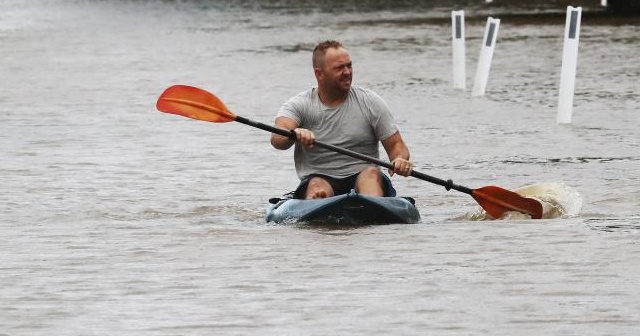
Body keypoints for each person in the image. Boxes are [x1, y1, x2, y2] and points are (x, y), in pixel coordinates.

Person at [270, 40, 413, 200]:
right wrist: (293, 133)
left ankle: (372, 205)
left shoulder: (370, 101)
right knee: (317, 185)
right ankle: (320, 205)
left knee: (371, 174)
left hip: (364, 177)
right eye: (339, 68)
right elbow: (277, 138)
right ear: (319, 74)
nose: (347, 72)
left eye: (349, 66)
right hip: (320, 178)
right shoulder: (300, 105)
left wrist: (400, 159)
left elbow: (396, 145)